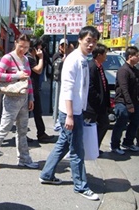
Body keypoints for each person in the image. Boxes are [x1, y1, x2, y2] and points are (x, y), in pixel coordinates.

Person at [39, 26, 100, 201]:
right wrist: (71, 115)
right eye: (88, 40)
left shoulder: (82, 58)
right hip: (71, 112)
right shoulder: (73, 60)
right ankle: (81, 186)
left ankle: (46, 174)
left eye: (94, 42)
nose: (91, 45)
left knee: (64, 145)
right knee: (76, 150)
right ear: (79, 39)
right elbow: (67, 89)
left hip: (75, 111)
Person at [0, 34, 38, 169]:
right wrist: (16, 75)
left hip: (24, 99)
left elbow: (28, 80)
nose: (23, 49)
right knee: (4, 128)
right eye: (21, 46)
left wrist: (31, 98)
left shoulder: (26, 59)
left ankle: (24, 159)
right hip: (11, 98)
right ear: (16, 43)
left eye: (26, 47)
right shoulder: (7, 58)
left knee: (22, 131)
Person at [110, 46, 139, 155]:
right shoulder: (123, 70)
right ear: (130, 56)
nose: (138, 57)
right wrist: (129, 104)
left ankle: (128, 142)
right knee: (121, 123)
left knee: (135, 122)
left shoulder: (135, 70)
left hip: (134, 101)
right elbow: (124, 88)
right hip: (123, 102)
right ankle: (115, 145)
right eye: (137, 55)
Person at [84, 43, 111, 155]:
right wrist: (98, 99)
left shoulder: (99, 67)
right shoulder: (92, 67)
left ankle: (94, 148)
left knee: (104, 124)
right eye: (105, 54)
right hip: (93, 106)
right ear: (99, 55)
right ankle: (89, 149)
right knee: (90, 128)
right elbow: (90, 87)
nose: (106, 56)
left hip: (101, 105)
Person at [25, 37, 54, 142]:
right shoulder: (29, 58)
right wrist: (41, 58)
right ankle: (23, 135)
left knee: (38, 112)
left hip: (34, 88)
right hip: (30, 89)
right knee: (27, 113)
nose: (41, 49)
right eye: (39, 47)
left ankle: (41, 133)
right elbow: (38, 70)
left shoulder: (32, 57)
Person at [52, 38, 68, 131]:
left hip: (65, 80)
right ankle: (56, 120)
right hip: (57, 80)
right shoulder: (57, 55)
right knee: (56, 100)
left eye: (65, 45)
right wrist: (62, 61)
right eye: (62, 45)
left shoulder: (68, 55)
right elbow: (55, 65)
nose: (63, 47)